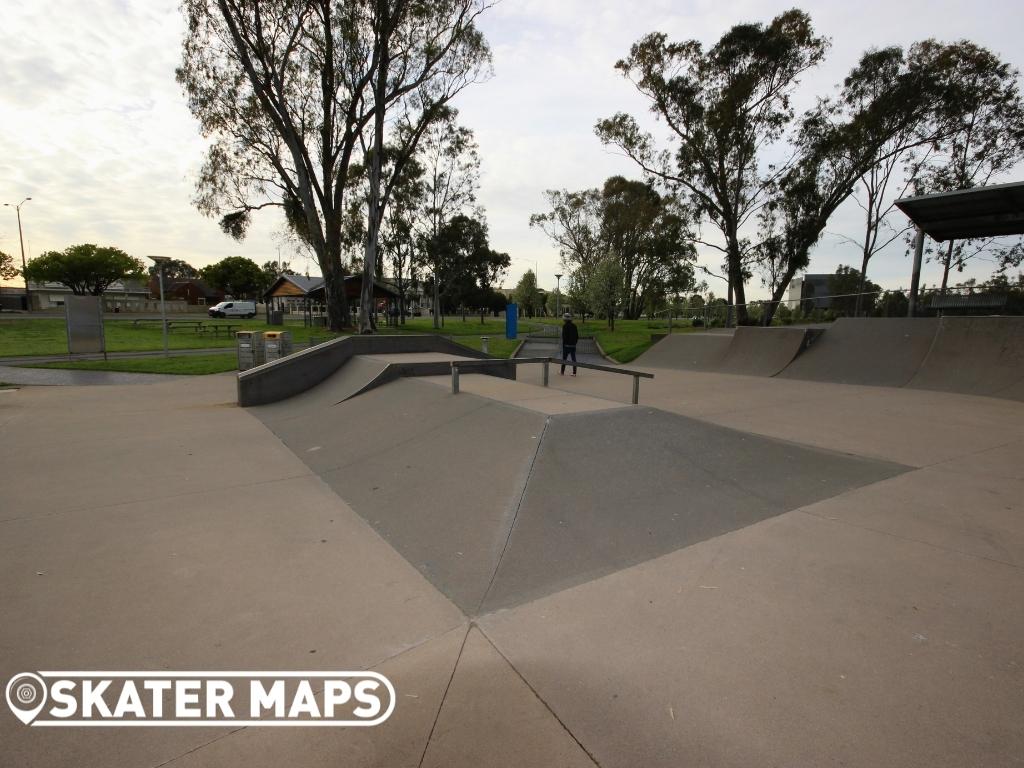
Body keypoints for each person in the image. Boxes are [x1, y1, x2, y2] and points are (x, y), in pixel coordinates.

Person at [560, 312, 578, 376]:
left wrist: (564, 344)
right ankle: (574, 372)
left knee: (564, 359)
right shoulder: (574, 326)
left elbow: (564, 337)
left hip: (566, 345)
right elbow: (577, 336)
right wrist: (575, 343)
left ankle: (562, 372)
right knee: (574, 359)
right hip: (573, 345)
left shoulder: (564, 326)